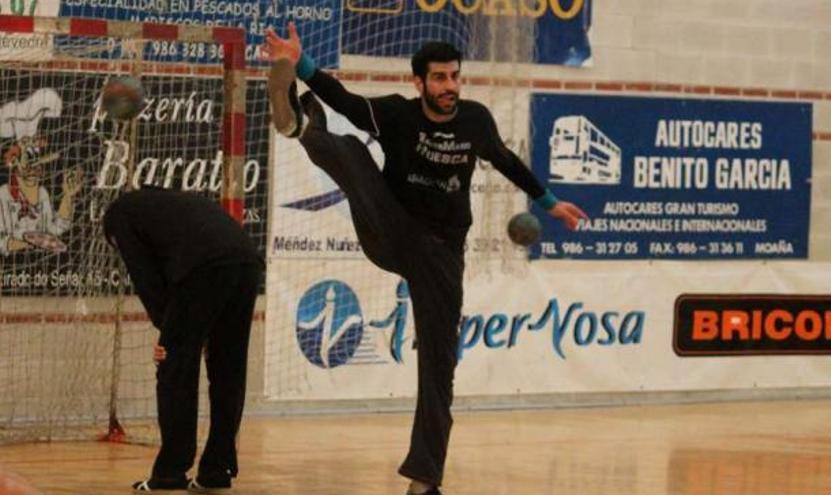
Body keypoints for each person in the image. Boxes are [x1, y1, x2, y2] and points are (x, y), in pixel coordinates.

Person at [261, 23, 587, 495]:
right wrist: (302, 63)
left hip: (441, 252)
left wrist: (549, 201)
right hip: (391, 227)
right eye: (439, 78)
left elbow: (505, 160)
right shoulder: (397, 113)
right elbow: (348, 102)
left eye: (454, 77)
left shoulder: (475, 120)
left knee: (439, 365)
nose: (449, 87)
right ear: (420, 83)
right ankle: (300, 126)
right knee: (353, 152)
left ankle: (424, 479)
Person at [102, 187, 262, 492]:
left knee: (174, 368)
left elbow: (146, 278)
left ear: (111, 235)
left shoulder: (120, 216)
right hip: (247, 262)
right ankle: (217, 471)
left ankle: (170, 473)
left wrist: (169, 334)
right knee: (228, 371)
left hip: (205, 266)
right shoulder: (168, 205)